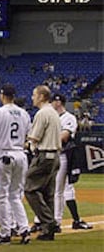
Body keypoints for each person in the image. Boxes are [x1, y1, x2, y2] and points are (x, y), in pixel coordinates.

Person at [0, 84, 31, 244]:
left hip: (4, 153)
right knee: (15, 196)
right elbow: (30, 136)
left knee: (2, 196)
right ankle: (24, 229)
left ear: (2, 96)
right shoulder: (24, 113)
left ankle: (6, 232)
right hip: (20, 154)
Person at [24, 85, 61, 241]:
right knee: (48, 194)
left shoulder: (42, 113)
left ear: (41, 96)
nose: (32, 97)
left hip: (44, 155)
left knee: (30, 189)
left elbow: (34, 138)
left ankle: (48, 222)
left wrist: (23, 144)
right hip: (55, 156)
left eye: (34, 95)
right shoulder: (53, 112)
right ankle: (48, 231)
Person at [52, 93, 92, 232]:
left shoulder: (69, 117)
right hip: (54, 155)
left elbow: (64, 137)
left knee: (65, 188)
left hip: (66, 155)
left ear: (58, 102)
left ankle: (63, 221)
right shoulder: (51, 116)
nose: (52, 103)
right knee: (58, 190)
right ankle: (62, 221)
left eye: (53, 101)